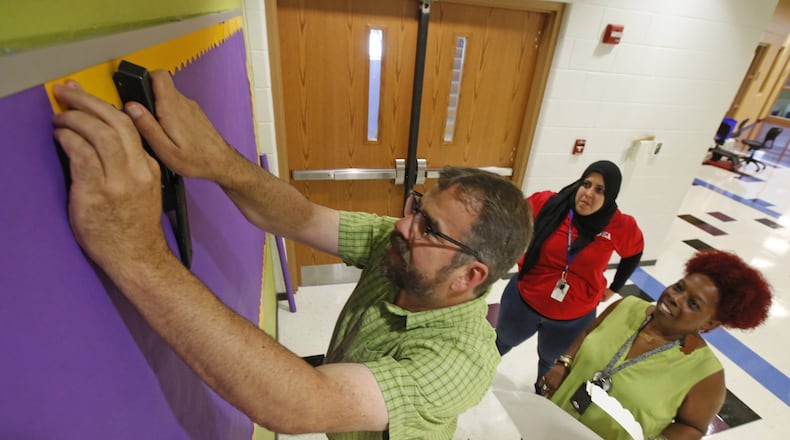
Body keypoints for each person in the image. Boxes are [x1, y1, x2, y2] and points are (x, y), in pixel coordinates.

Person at [51, 73, 533, 439]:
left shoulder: (461, 361)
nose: (405, 225)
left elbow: (303, 403)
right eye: (418, 208)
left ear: (471, 275)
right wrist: (215, 158)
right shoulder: (403, 247)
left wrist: (136, 253)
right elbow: (300, 218)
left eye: (429, 227)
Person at [540, 249, 773, 440]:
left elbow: (693, 427)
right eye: (679, 287)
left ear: (710, 324)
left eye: (693, 304)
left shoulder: (705, 375)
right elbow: (586, 333)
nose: (675, 297)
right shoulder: (626, 306)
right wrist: (564, 363)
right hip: (551, 422)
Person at [494, 160, 644, 391]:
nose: (588, 193)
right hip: (524, 301)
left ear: (610, 195)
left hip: (572, 318)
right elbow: (510, 220)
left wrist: (615, 287)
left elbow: (633, 253)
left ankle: (538, 403)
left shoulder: (619, 225)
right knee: (499, 343)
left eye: (600, 190)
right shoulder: (549, 204)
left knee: (550, 365)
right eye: (586, 184)